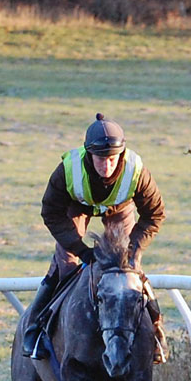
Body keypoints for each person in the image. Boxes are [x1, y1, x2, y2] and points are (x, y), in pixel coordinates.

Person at [21, 113, 169, 363]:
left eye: (112, 159)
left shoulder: (136, 170)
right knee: (65, 265)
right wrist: (80, 250)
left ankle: (155, 328)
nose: (107, 165)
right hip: (75, 208)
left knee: (129, 270)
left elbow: (155, 214)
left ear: (121, 154)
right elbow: (51, 212)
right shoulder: (68, 170)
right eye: (100, 159)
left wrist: (132, 249)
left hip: (120, 208)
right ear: (89, 153)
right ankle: (35, 326)